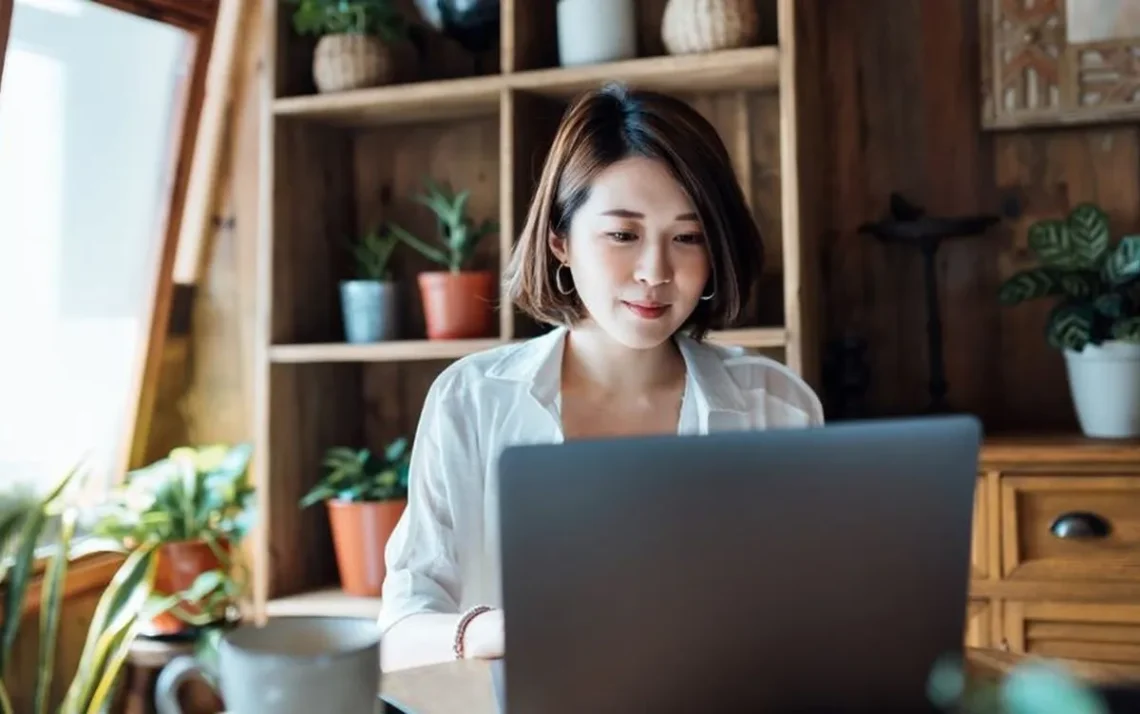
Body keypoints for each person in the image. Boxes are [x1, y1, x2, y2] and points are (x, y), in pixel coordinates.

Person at [376, 82, 824, 672]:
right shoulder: (472, 399)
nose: (655, 272)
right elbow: (400, 629)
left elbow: (816, 618)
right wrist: (492, 630)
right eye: (623, 234)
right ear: (560, 239)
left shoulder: (777, 404)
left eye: (688, 238)